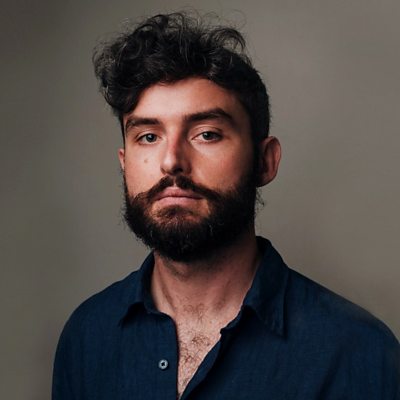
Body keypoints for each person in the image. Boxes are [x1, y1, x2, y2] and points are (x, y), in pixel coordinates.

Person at [52, 12, 399, 400]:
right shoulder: (87, 336)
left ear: (264, 161)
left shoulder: (357, 353)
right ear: (124, 163)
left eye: (206, 134)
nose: (171, 161)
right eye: (148, 136)